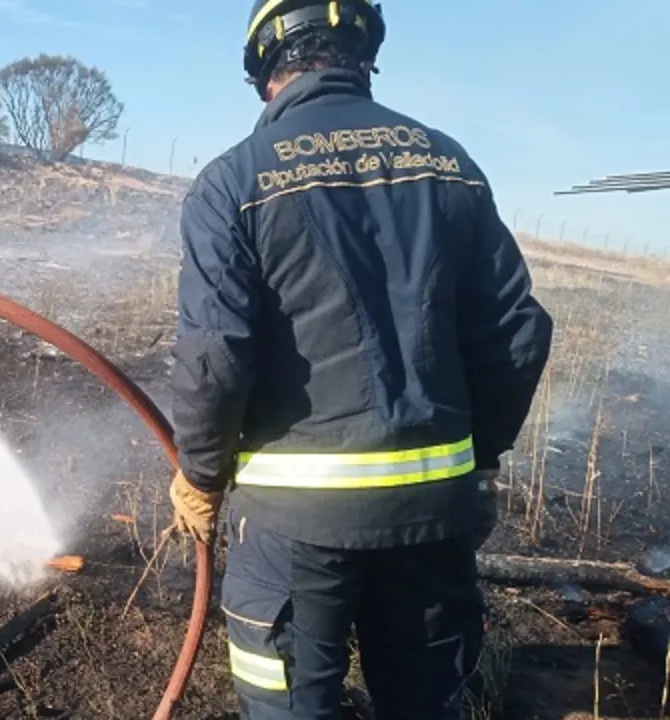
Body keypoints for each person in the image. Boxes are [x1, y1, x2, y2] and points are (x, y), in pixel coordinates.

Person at [165, 1, 554, 718]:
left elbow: (216, 357)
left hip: (293, 525)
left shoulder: (233, 180)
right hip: (434, 521)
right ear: (366, 53)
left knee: (291, 707)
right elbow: (518, 332)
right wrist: (480, 458)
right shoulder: (451, 164)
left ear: (262, 68)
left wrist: (200, 475)